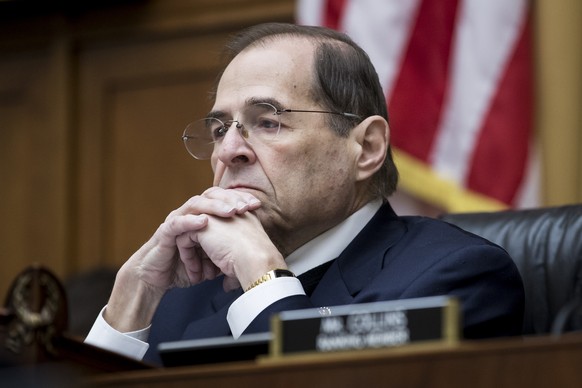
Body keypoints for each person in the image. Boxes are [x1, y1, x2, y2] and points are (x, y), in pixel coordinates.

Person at [85, 22, 524, 365]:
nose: (230, 150)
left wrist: (263, 279)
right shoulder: (181, 298)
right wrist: (131, 302)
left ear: (366, 148)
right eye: (220, 129)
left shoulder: (454, 279)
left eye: (268, 121)